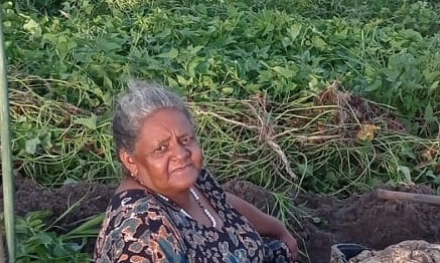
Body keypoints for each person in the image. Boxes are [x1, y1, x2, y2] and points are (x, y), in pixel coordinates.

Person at [94, 81, 299, 263]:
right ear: (130, 160)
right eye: (161, 148)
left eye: (185, 140)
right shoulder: (145, 235)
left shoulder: (187, 184)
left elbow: (222, 204)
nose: (180, 154)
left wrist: (278, 229)